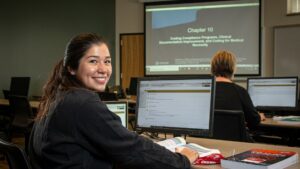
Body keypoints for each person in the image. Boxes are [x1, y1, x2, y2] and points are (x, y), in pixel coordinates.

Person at [28, 33, 198, 169]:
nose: (103, 69)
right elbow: (132, 148)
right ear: (71, 67)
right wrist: (182, 160)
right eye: (93, 61)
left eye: (107, 61)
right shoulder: (82, 103)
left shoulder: (60, 96)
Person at [210, 50, 265, 139]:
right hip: (237, 144)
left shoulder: (205, 92)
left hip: (206, 144)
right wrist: (259, 116)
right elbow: (254, 121)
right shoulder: (240, 91)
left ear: (213, 68)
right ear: (233, 68)